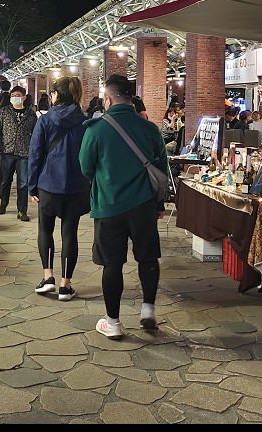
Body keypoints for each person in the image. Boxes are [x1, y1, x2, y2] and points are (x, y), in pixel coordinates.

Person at [79, 74, 167, 340]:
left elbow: (85, 168)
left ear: (107, 98)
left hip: (109, 205)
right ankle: (148, 309)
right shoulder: (150, 129)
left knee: (112, 264)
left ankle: (113, 322)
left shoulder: (96, 129)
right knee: (148, 257)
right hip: (143, 205)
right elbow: (161, 170)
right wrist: (159, 204)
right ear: (131, 98)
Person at [27, 76, 90, 301]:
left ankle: (48, 278)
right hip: (76, 186)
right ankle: (66, 285)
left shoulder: (44, 121)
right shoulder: (85, 121)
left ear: (56, 95)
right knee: (69, 233)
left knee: (45, 230)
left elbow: (35, 155)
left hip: (48, 184)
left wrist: (32, 186)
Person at [0, 86, 38, 220]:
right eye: (13, 95)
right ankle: (3, 203)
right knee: (5, 181)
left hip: (24, 152)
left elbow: (36, 133)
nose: (15, 97)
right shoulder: (4, 112)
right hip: (6, 151)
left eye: (17, 95)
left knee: (23, 183)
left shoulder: (31, 114)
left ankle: (22, 210)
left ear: (24, 97)